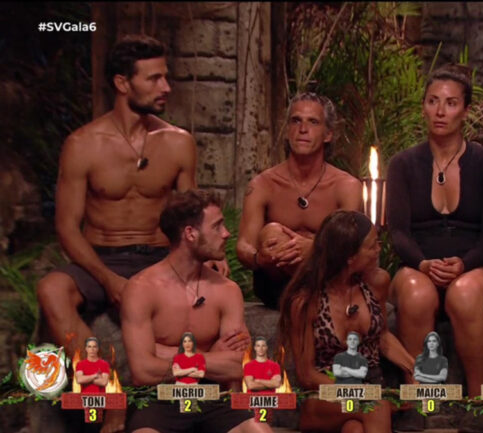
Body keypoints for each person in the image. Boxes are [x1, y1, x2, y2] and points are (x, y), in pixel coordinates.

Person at [34, 34, 206, 433]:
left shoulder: (178, 142)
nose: (166, 87)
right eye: (154, 78)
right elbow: (66, 228)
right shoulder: (82, 144)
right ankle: (110, 392)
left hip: (158, 258)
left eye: (166, 77)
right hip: (101, 257)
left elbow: (189, 216)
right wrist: (108, 279)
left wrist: (203, 254)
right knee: (52, 289)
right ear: (122, 83)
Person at [386, 64, 483, 398]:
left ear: (466, 111)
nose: (440, 111)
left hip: (474, 266)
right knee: (416, 293)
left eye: (451, 103)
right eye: (433, 101)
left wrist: (464, 264)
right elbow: (398, 232)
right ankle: (419, 398)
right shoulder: (402, 164)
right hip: (418, 265)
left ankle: (479, 399)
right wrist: (423, 264)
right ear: (423, 107)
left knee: (463, 294)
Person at [121, 190, 270, 433]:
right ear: (190, 233)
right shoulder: (141, 289)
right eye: (217, 226)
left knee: (258, 430)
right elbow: (143, 371)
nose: (226, 233)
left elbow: (239, 365)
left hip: (214, 397)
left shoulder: (227, 290)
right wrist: (210, 354)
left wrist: (167, 353)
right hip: (160, 399)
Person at [237, 92, 377, 310]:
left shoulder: (346, 186)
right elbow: (244, 244)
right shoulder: (262, 185)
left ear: (328, 134)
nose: (303, 129)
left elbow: (352, 246)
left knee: (367, 267)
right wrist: (259, 258)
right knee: (272, 233)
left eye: (313, 122)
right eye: (296, 121)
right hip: (276, 283)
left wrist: (315, 248)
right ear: (287, 131)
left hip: (327, 281)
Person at [279, 210, 414, 433]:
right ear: (350, 257)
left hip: (370, 386)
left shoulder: (377, 283)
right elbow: (306, 375)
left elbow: (381, 335)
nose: (378, 250)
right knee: (374, 405)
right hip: (324, 394)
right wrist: (359, 393)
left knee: (354, 430)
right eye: (372, 246)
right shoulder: (306, 301)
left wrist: (411, 368)